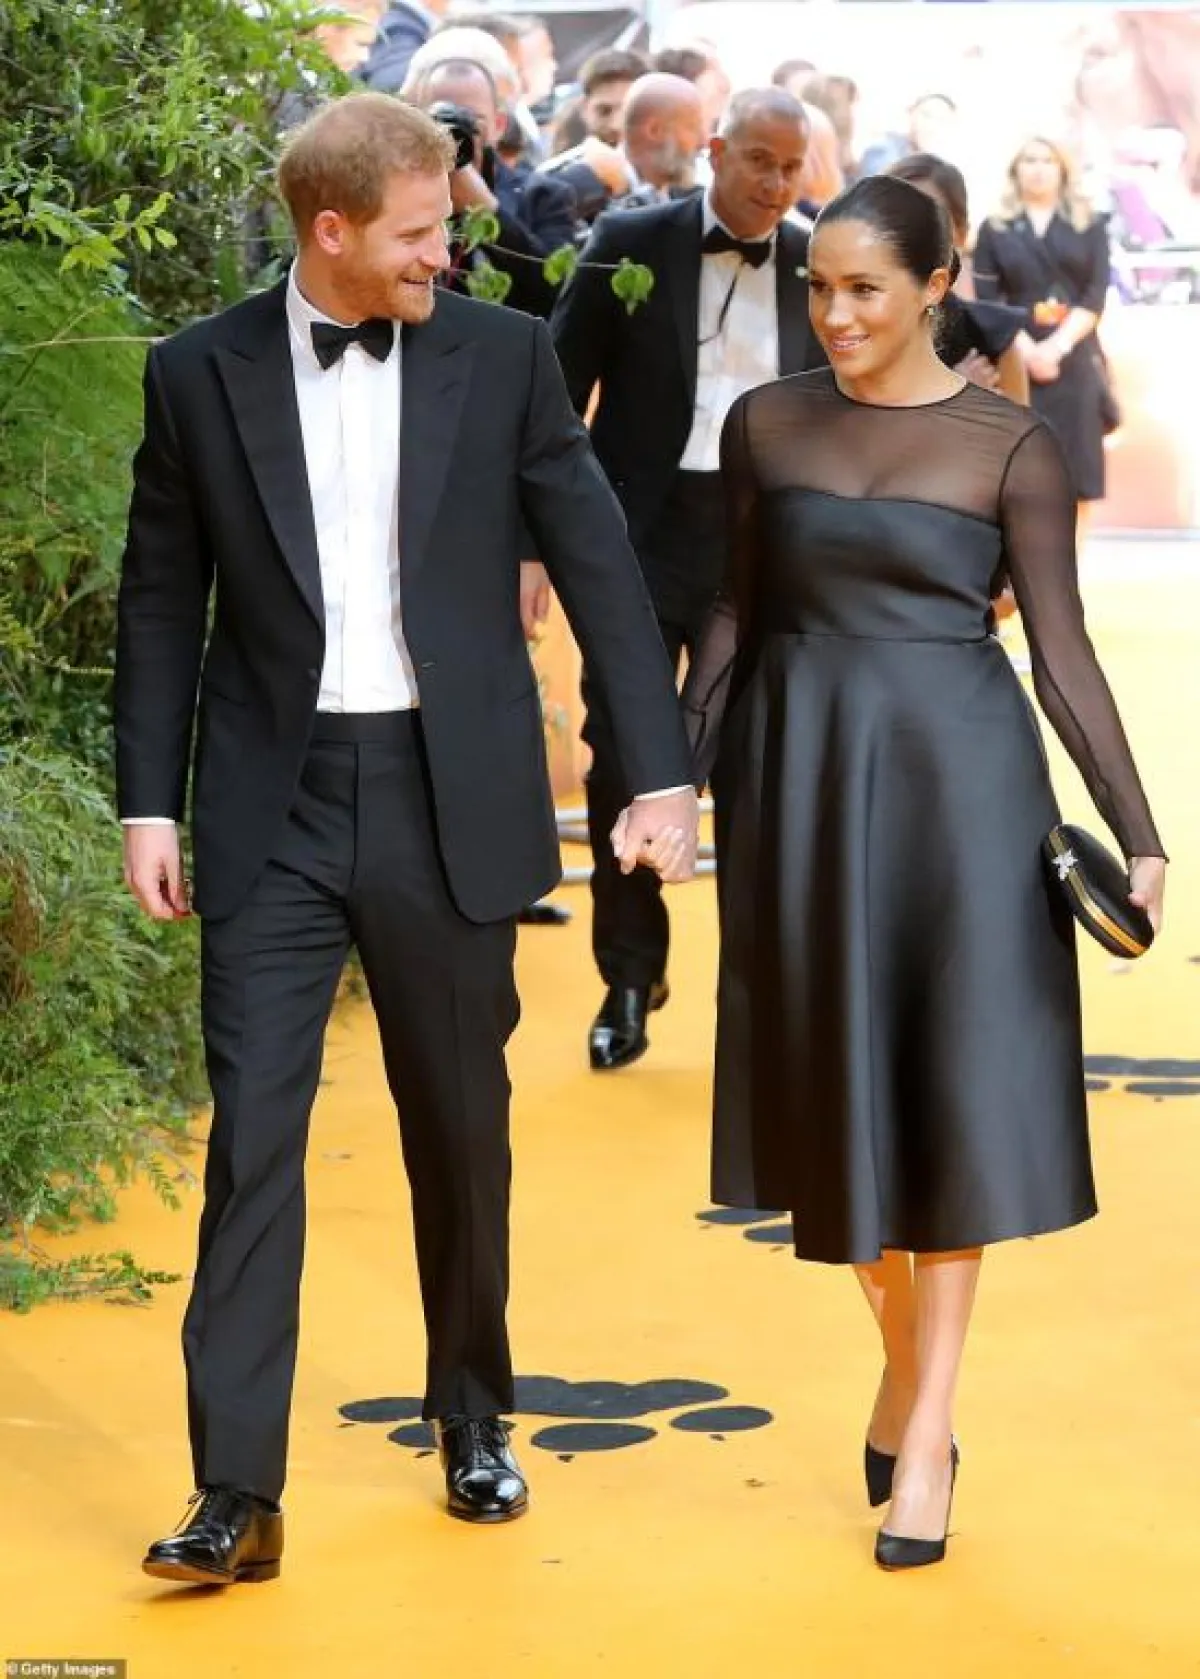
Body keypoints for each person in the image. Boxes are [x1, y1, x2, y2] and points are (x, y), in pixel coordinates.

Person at [116, 92, 698, 1587]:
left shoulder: (502, 357)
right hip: (272, 799)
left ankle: (474, 1412)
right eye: (424, 232)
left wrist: (658, 771)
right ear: (333, 231)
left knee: (459, 1122)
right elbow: (163, 596)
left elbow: (600, 564)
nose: (450, 252)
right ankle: (235, 1489)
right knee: (253, 1141)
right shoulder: (197, 372)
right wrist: (147, 800)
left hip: (451, 792)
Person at [678, 175, 1166, 1570]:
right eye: (817, 287)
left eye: (863, 289)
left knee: (946, 1097)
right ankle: (906, 1368)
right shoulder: (767, 422)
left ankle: (929, 1430)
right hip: (801, 785)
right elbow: (734, 610)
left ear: (935, 286)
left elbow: (1061, 653)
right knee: (821, 1091)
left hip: (963, 792)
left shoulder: (1008, 445)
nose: (833, 314)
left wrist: (1137, 832)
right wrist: (673, 772)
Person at [551, 88, 826, 1072]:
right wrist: (539, 543)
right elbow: (557, 393)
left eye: (791, 167)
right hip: (640, 537)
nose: (776, 183)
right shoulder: (631, 242)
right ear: (714, 150)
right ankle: (629, 974)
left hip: (765, 545)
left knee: (757, 764)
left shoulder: (819, 259)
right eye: (759, 160)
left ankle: (755, 993)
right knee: (623, 755)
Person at [972, 138, 1116, 534]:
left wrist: (1056, 347)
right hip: (1014, 358)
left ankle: (1072, 567)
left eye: (1048, 160)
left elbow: (1094, 295)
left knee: (1077, 478)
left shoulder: (1090, 224)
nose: (1038, 169)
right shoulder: (995, 227)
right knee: (1021, 476)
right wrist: (1026, 349)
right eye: (1029, 160)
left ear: (1063, 169)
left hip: (1075, 356)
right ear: (1015, 169)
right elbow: (988, 297)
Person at [887, 153, 1029, 403]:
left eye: (930, 220)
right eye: (896, 219)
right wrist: (957, 400)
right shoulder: (849, 326)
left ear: (961, 234)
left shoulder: (992, 338)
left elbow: (1021, 427)